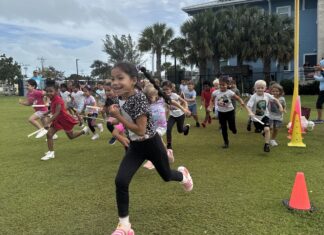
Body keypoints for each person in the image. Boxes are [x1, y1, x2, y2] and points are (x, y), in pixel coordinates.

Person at [108, 62, 193, 235]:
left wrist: (118, 117)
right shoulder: (120, 98)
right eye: (112, 78)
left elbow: (140, 129)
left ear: (133, 80)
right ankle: (124, 226)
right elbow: (128, 121)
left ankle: (183, 175)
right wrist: (115, 120)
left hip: (151, 144)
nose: (115, 82)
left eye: (120, 78)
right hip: (136, 147)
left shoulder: (139, 99)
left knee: (167, 176)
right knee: (121, 181)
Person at [41, 82, 89, 161]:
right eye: (47, 91)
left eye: (51, 91)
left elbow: (57, 112)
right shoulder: (52, 99)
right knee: (49, 134)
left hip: (64, 120)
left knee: (71, 136)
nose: (49, 93)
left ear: (56, 91)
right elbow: (53, 108)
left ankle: (84, 131)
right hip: (57, 120)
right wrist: (47, 112)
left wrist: (48, 121)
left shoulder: (58, 100)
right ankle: (51, 153)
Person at [209, 76, 253, 148]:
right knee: (223, 128)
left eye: (223, 85)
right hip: (221, 113)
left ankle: (233, 129)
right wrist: (210, 106)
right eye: (220, 85)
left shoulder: (230, 92)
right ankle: (226, 143)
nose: (222, 86)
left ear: (227, 85)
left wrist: (242, 102)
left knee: (231, 126)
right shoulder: (215, 93)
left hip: (230, 112)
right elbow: (212, 100)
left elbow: (238, 98)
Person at [142, 84, 174, 170]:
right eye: (147, 97)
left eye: (150, 97)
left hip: (161, 126)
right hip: (151, 127)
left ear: (156, 95)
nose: (149, 99)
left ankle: (152, 161)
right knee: (158, 141)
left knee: (155, 138)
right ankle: (168, 153)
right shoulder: (145, 104)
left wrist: (184, 108)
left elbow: (172, 102)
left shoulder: (162, 100)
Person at [247, 80, 283, 152]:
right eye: (258, 88)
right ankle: (252, 123)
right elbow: (248, 106)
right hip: (256, 118)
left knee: (267, 129)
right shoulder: (253, 97)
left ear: (265, 88)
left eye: (262, 88)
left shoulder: (267, 95)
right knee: (261, 130)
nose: (260, 89)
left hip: (265, 115)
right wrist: (250, 112)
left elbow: (275, 99)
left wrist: (280, 106)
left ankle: (266, 145)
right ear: (255, 88)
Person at [162, 80, 191, 150]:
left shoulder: (175, 95)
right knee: (168, 129)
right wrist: (165, 119)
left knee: (180, 130)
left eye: (167, 89)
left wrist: (186, 108)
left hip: (180, 115)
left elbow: (184, 101)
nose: (166, 91)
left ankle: (186, 128)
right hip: (172, 116)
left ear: (171, 89)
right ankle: (169, 144)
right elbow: (166, 109)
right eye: (164, 89)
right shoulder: (164, 98)